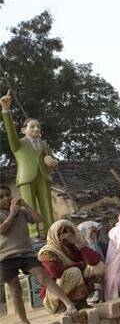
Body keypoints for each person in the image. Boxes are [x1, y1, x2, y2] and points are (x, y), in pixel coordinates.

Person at [0, 186, 77, 322]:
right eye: (1, 197)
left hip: (26, 253)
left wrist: (25, 205)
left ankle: (68, 303)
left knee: (43, 277)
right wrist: (12, 214)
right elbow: (3, 231)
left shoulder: (22, 213)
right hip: (5, 257)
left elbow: (38, 218)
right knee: (16, 291)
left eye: (8, 195)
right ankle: (25, 321)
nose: (6, 198)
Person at [1, 90, 57, 238]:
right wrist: (6, 110)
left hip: (43, 177)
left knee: (47, 207)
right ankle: (34, 234)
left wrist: (52, 162)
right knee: (29, 205)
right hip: (26, 178)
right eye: (32, 127)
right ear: (23, 130)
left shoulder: (44, 144)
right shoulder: (19, 144)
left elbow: (52, 159)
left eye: (38, 127)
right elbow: (10, 132)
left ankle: (50, 232)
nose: (36, 129)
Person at [38, 220, 105, 313]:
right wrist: (79, 265)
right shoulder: (47, 252)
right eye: (62, 233)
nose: (66, 236)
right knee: (74, 271)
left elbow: (95, 260)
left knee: (98, 266)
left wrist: (77, 242)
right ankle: (64, 305)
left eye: (68, 232)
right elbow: (57, 272)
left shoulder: (74, 246)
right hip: (54, 296)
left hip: (72, 285)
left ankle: (81, 301)